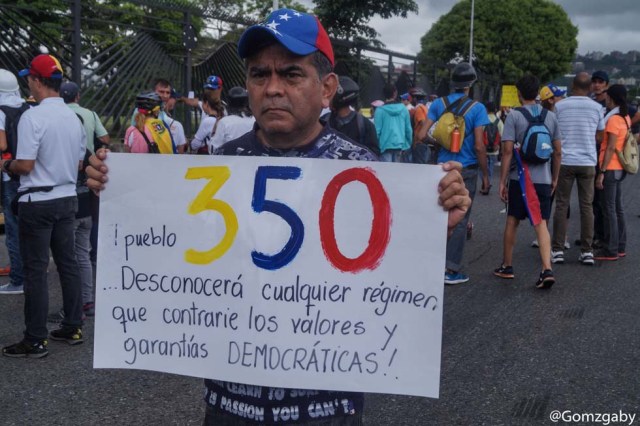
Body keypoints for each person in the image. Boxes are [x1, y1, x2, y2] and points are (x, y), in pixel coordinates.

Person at [86, 8, 471, 425]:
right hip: (231, 407)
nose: (272, 89)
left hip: (325, 410)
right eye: (258, 74)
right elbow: (179, 259)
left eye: (290, 74)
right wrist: (118, 188)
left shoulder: (362, 168)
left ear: (326, 89)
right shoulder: (222, 163)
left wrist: (433, 226)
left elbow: (390, 291)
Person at [1, 54, 86, 358]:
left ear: (37, 81)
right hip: (67, 198)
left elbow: (25, 164)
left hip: (37, 201)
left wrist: (7, 165)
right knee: (68, 264)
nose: (28, 83)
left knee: (36, 271)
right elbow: (78, 162)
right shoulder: (73, 118)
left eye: (30, 78)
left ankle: (35, 339)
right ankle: (73, 325)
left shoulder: (32, 117)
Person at [419, 62, 490, 285]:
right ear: (471, 84)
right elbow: (479, 146)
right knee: (459, 219)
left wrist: (441, 140)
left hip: (441, 168)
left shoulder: (438, 104)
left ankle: (429, 264)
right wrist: (486, 174)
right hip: (466, 169)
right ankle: (451, 269)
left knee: (437, 215)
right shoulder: (477, 109)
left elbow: (421, 135)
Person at [493, 74, 561, 289]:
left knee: (512, 220)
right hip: (543, 179)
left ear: (519, 93)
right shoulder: (550, 117)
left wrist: (502, 181)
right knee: (541, 224)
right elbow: (558, 152)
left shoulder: (514, 116)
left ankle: (507, 266)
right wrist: (555, 178)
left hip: (520, 180)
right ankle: (546, 268)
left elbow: (506, 151)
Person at [550, 72, 605, 265]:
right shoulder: (597, 108)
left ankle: (557, 250)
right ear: (590, 87)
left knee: (562, 204)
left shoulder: (559, 106)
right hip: (588, 162)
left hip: (565, 160)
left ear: (573, 85)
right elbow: (600, 136)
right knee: (587, 206)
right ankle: (587, 251)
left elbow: (554, 132)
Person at [0, 69, 29, 294]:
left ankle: (18, 280)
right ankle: (32, 273)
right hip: (29, 172)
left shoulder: (0, 110)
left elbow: (1, 145)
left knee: (13, 227)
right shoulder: (26, 106)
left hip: (10, 173)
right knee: (30, 226)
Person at [594, 84, 630, 261]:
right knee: (617, 208)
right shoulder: (625, 118)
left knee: (609, 209)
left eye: (607, 96)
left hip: (611, 167)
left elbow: (609, 148)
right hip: (620, 168)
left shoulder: (614, 119)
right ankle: (620, 246)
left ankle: (611, 249)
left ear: (612, 98)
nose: (605, 98)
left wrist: (601, 171)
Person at [324, 76, 379, 155]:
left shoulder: (364, 125)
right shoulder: (324, 121)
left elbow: (374, 155)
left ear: (339, 97)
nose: (327, 97)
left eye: (331, 94)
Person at [60, 81, 110, 152]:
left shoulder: (54, 114)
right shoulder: (91, 114)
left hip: (64, 160)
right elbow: (105, 139)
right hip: (88, 160)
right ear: (77, 96)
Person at [207, 86, 255, 152]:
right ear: (246, 101)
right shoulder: (255, 120)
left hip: (229, 161)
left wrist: (214, 130)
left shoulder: (224, 122)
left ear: (229, 102)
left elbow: (213, 149)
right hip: (252, 160)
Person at [374, 83, 413, 162]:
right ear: (395, 93)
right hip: (400, 145)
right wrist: (408, 143)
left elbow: (376, 131)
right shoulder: (403, 109)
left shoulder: (379, 110)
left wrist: (376, 146)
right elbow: (408, 129)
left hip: (384, 146)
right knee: (397, 173)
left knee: (385, 173)